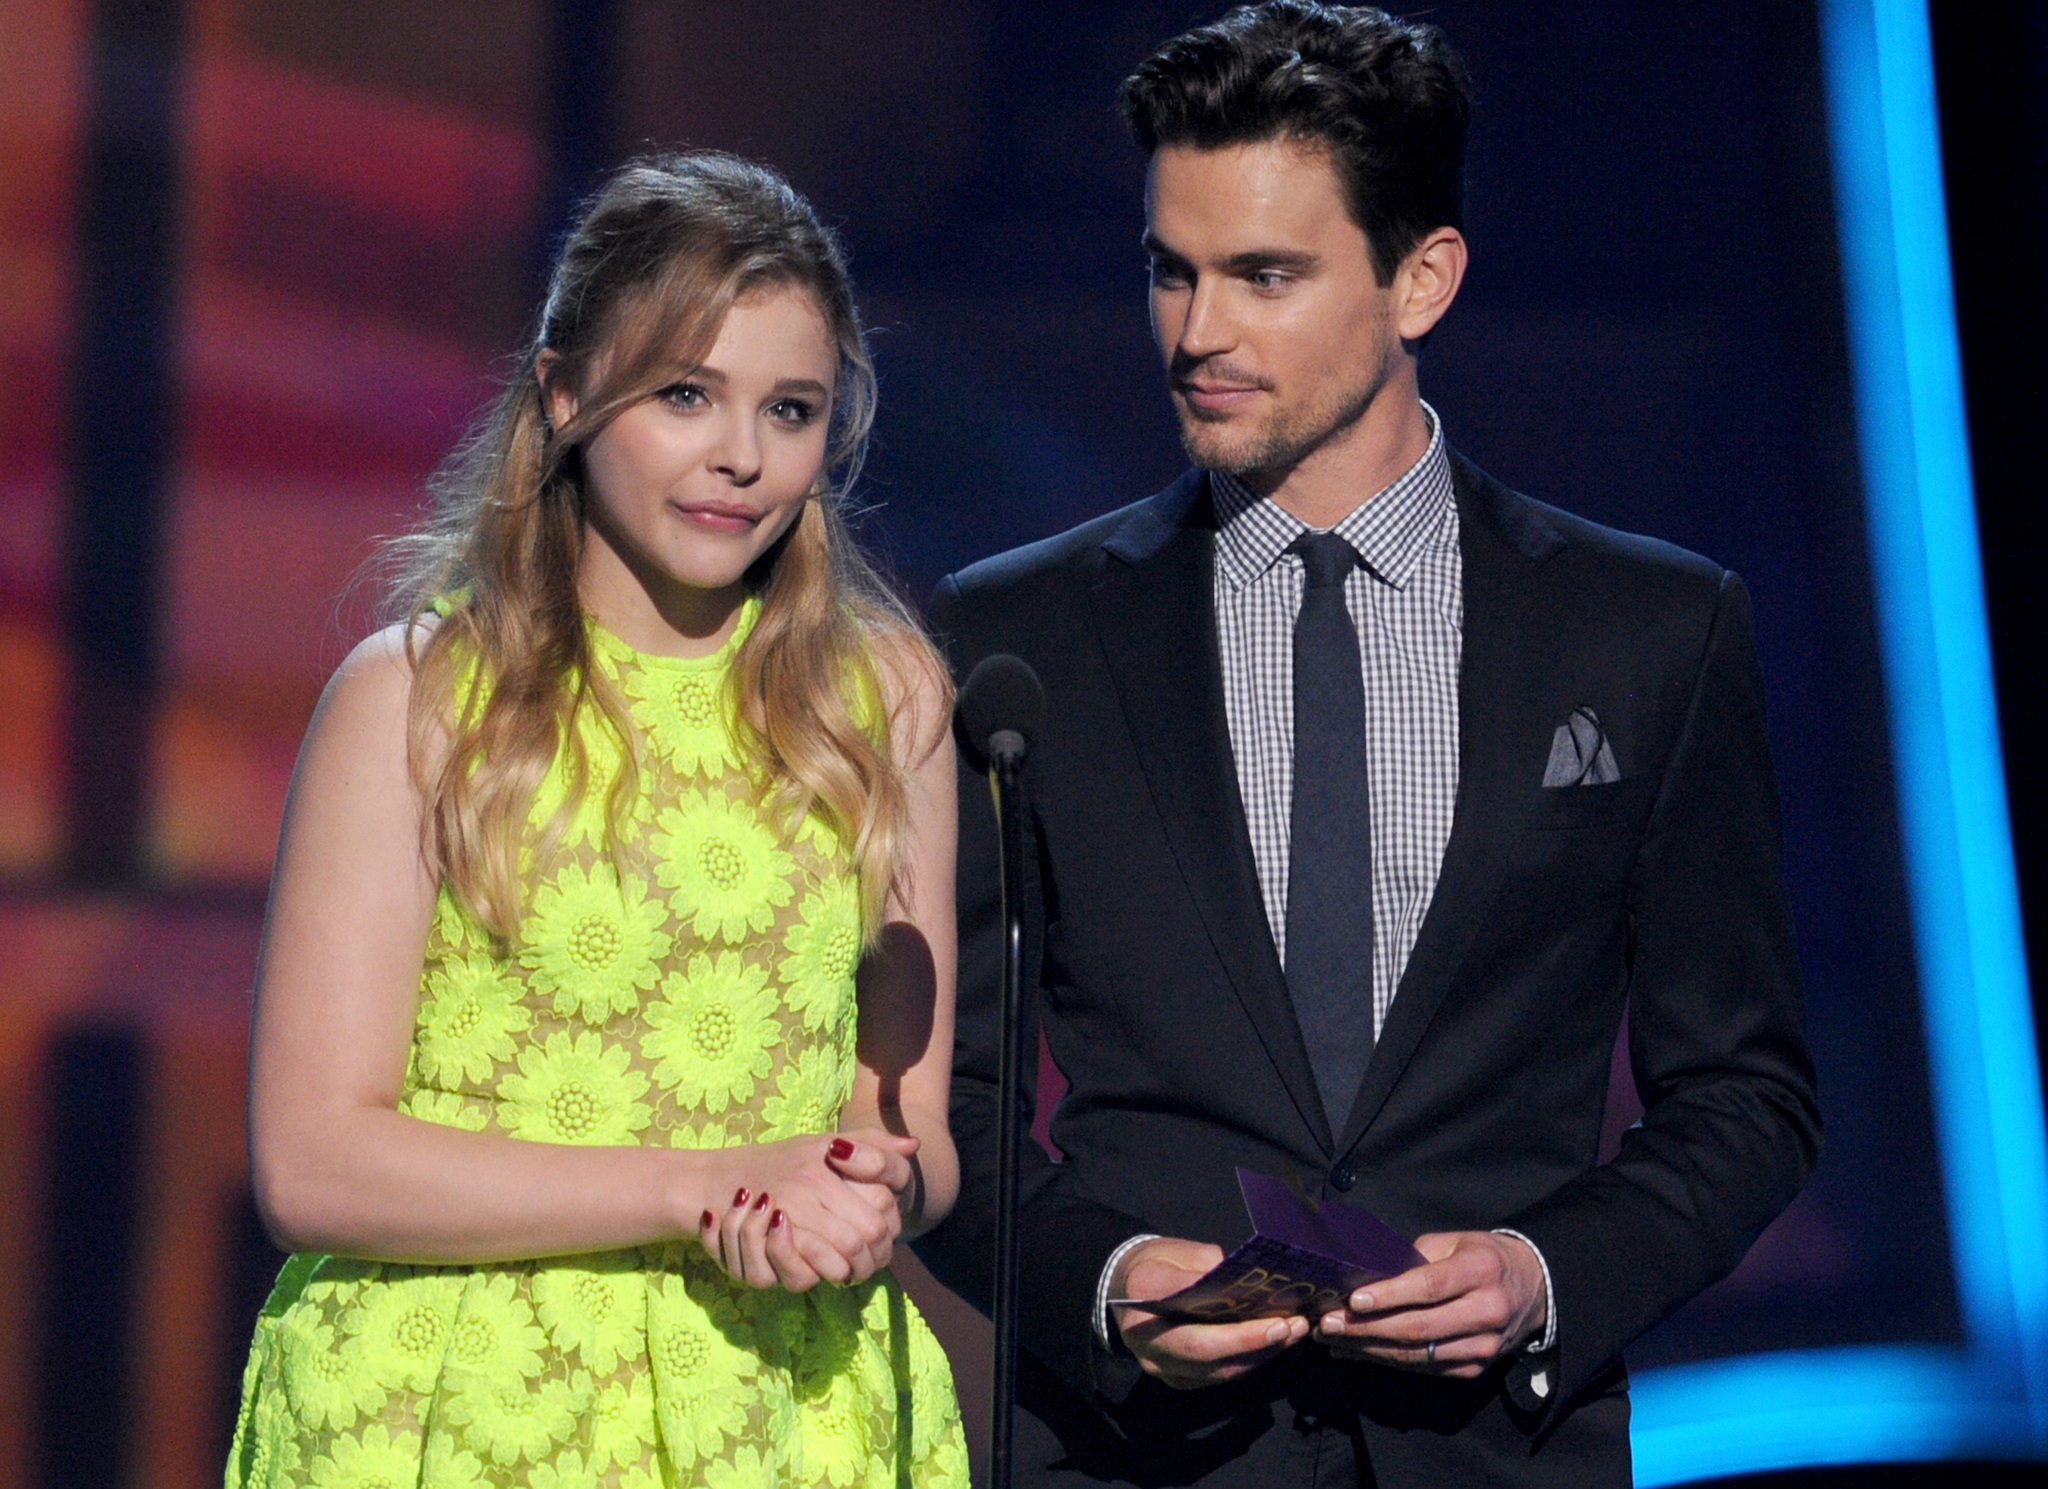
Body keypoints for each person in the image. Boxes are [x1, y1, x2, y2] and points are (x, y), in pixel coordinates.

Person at [914, 4, 1822, 1486]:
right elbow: (946, 1107)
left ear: (1423, 280)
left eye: (1265, 275)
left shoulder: (1649, 629)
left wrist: (1542, 1272)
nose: (1198, 332)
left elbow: (1746, 1096)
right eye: (1171, 271)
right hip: (1143, 1455)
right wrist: (1108, 1274)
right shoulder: (1021, 637)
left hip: (1493, 1452)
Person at [226, 152, 970, 1489]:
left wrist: (864, 1201)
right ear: (566, 392)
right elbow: (313, 1158)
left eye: (790, 408)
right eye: (687, 395)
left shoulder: (883, 695)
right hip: (450, 1409)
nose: (741, 456)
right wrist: (704, 1185)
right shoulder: (422, 697)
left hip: (778, 1407)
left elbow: (907, 1132)